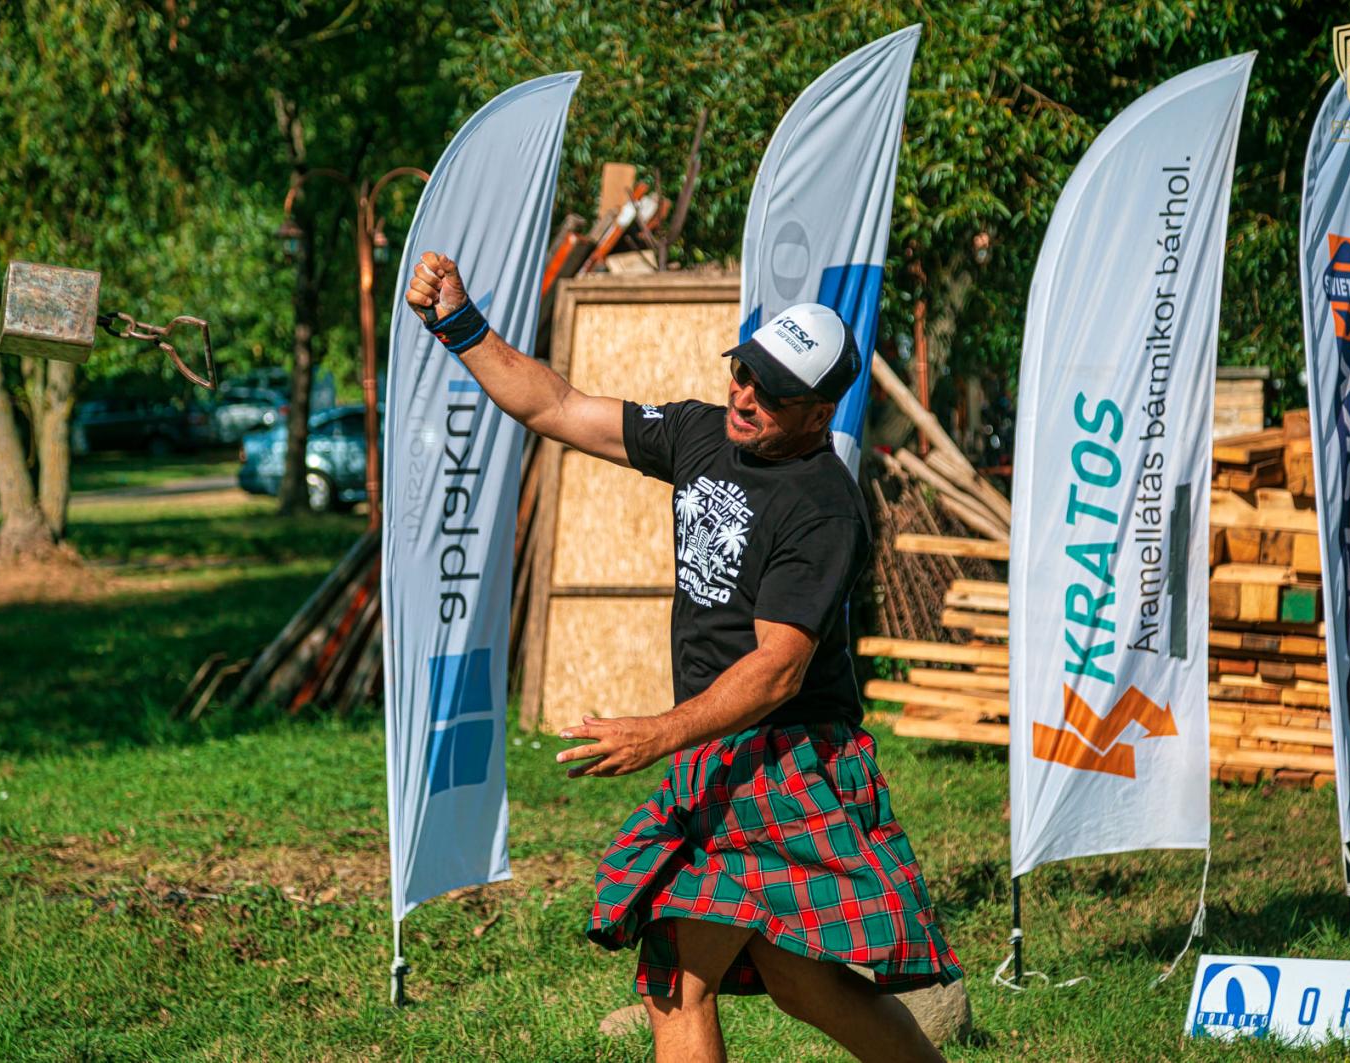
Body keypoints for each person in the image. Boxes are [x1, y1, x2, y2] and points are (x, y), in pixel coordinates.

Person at [405, 252, 961, 1063]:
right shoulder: (702, 433)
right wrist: (461, 326)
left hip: (789, 756)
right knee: (736, 980)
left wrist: (658, 733)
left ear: (820, 411)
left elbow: (778, 669)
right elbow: (557, 405)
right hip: (719, 751)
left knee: (738, 980)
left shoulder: (822, 506)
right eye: (744, 372)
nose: (745, 395)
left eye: (773, 392)